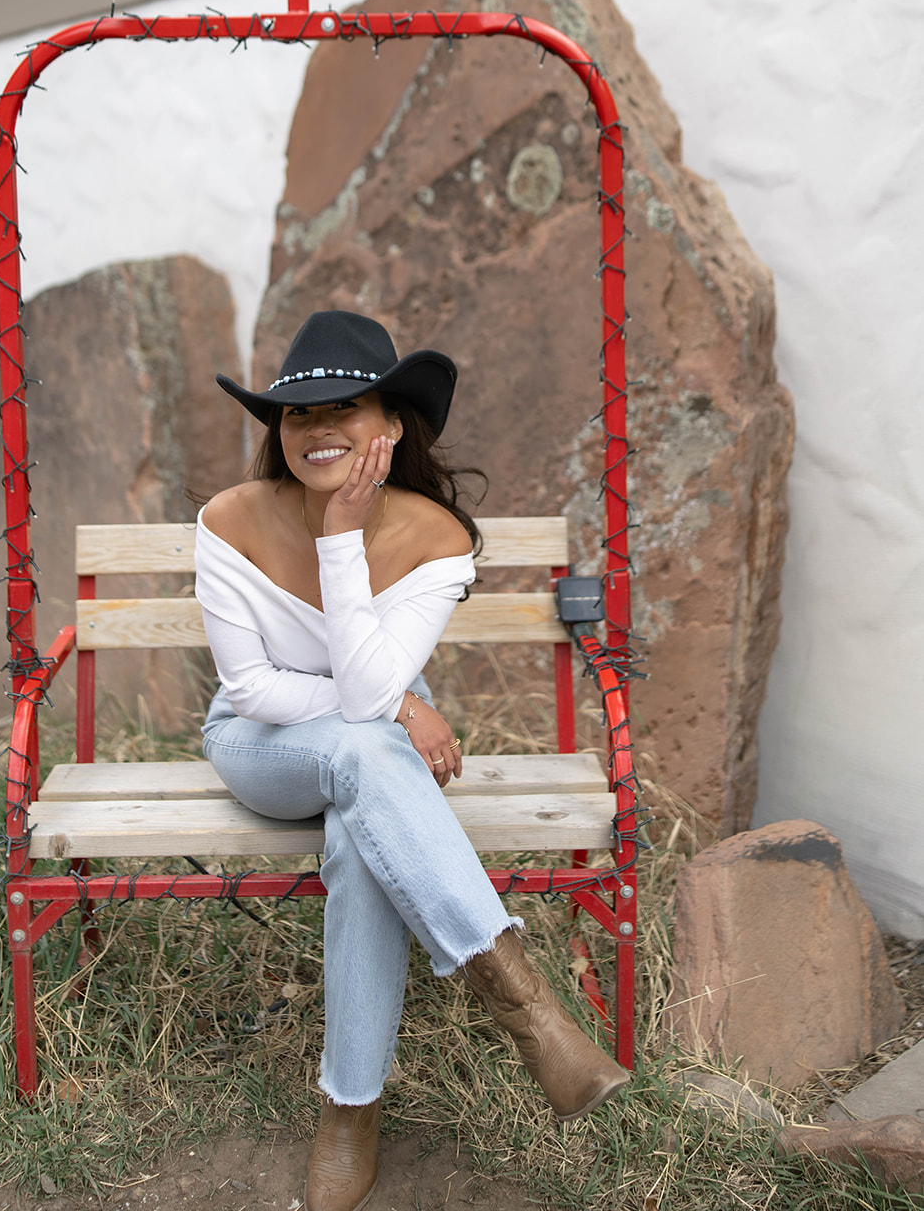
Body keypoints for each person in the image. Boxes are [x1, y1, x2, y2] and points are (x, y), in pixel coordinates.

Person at [197, 311, 628, 1211]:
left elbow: (359, 699)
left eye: (344, 408)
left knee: (362, 837)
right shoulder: (229, 520)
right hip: (258, 746)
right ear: (277, 430)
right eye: (296, 413)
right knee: (363, 747)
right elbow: (259, 692)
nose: (317, 430)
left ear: (390, 429)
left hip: (371, 760)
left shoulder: (437, 540)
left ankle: (348, 1109)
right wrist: (402, 704)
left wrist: (341, 542)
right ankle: (526, 1006)